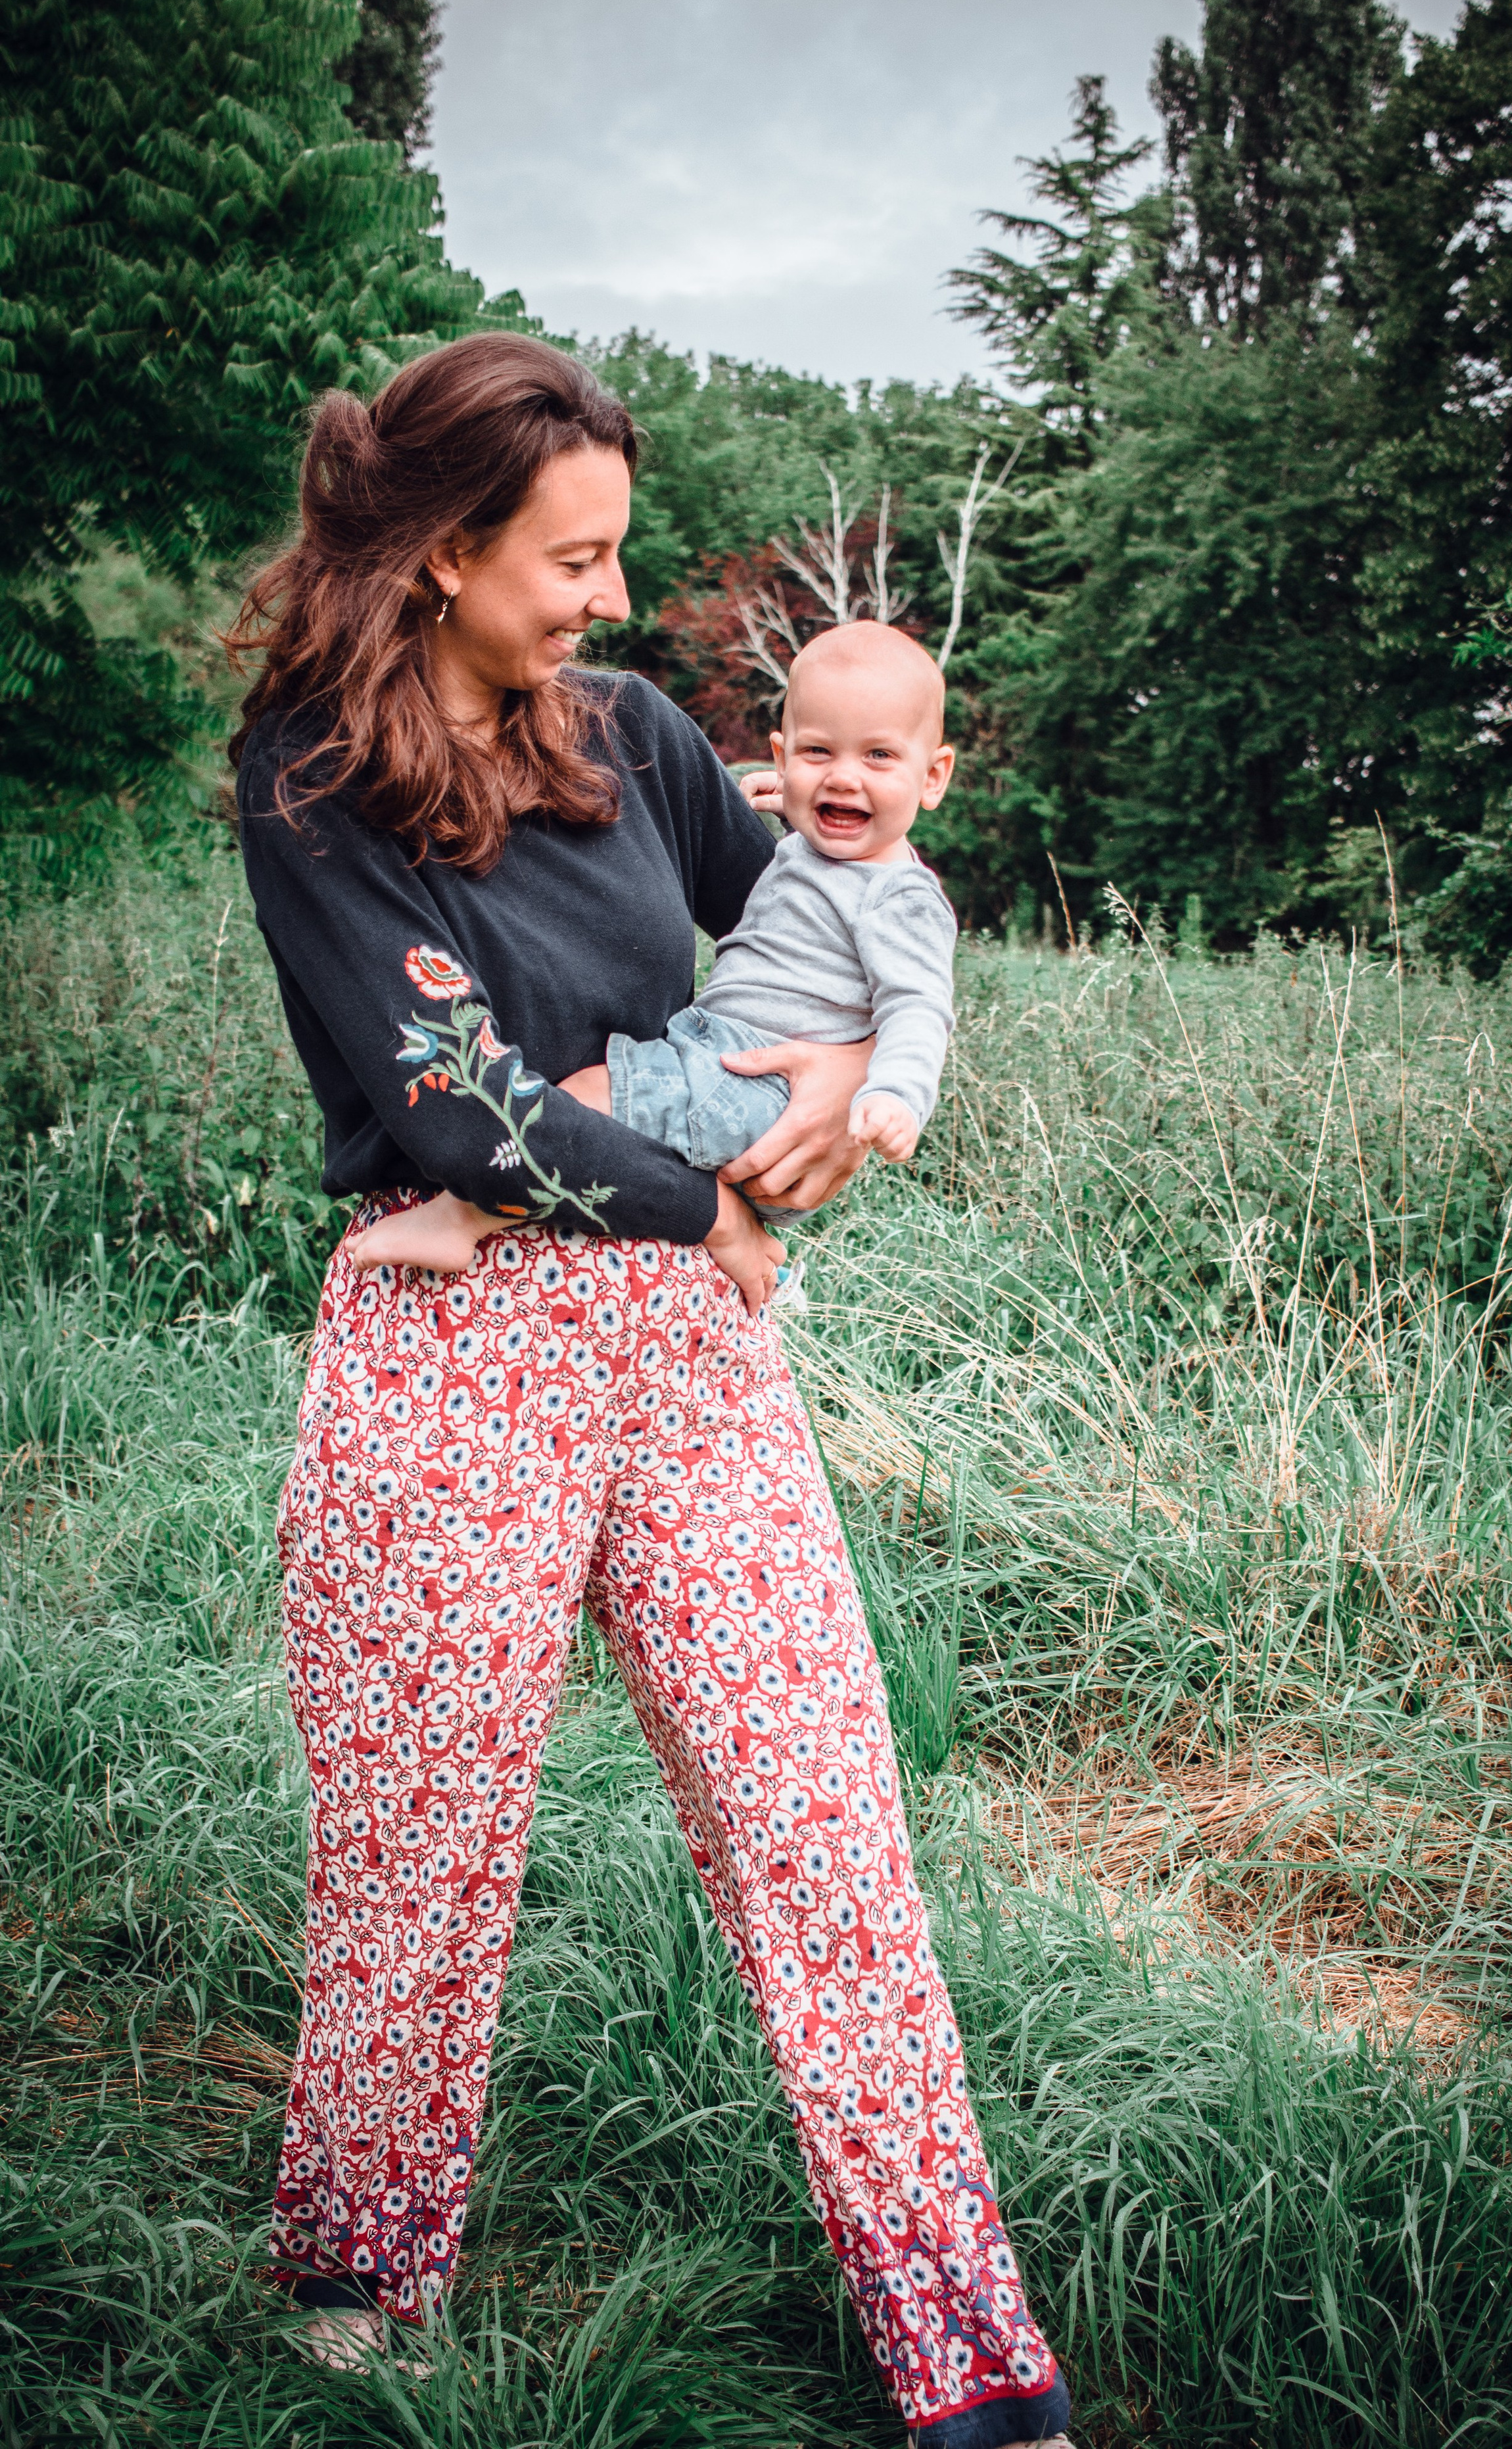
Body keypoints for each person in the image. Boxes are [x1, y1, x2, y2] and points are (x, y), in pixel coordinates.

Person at [229, 329, 1073, 2449]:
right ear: (442, 550)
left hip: (694, 1364)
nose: (609, 597)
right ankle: (359, 2277)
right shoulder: (313, 778)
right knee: (420, 1848)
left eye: (617, 554)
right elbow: (457, 1110)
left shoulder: (630, 735)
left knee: (823, 1832)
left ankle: (971, 2360)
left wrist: (845, 1096)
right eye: (572, 558)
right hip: (454, 1367)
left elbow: (824, 926)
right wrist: (710, 1203)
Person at [347, 617, 959, 1277]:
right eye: (818, 752)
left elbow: (919, 1007)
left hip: (755, 1081)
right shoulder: (821, 854)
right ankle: (754, 1263)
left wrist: (892, 1093)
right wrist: (786, 799)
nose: (843, 778)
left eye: (878, 757)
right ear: (782, 758)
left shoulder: (900, 896)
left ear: (933, 777)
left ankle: (461, 1219)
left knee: (583, 1099)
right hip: (725, 1061)